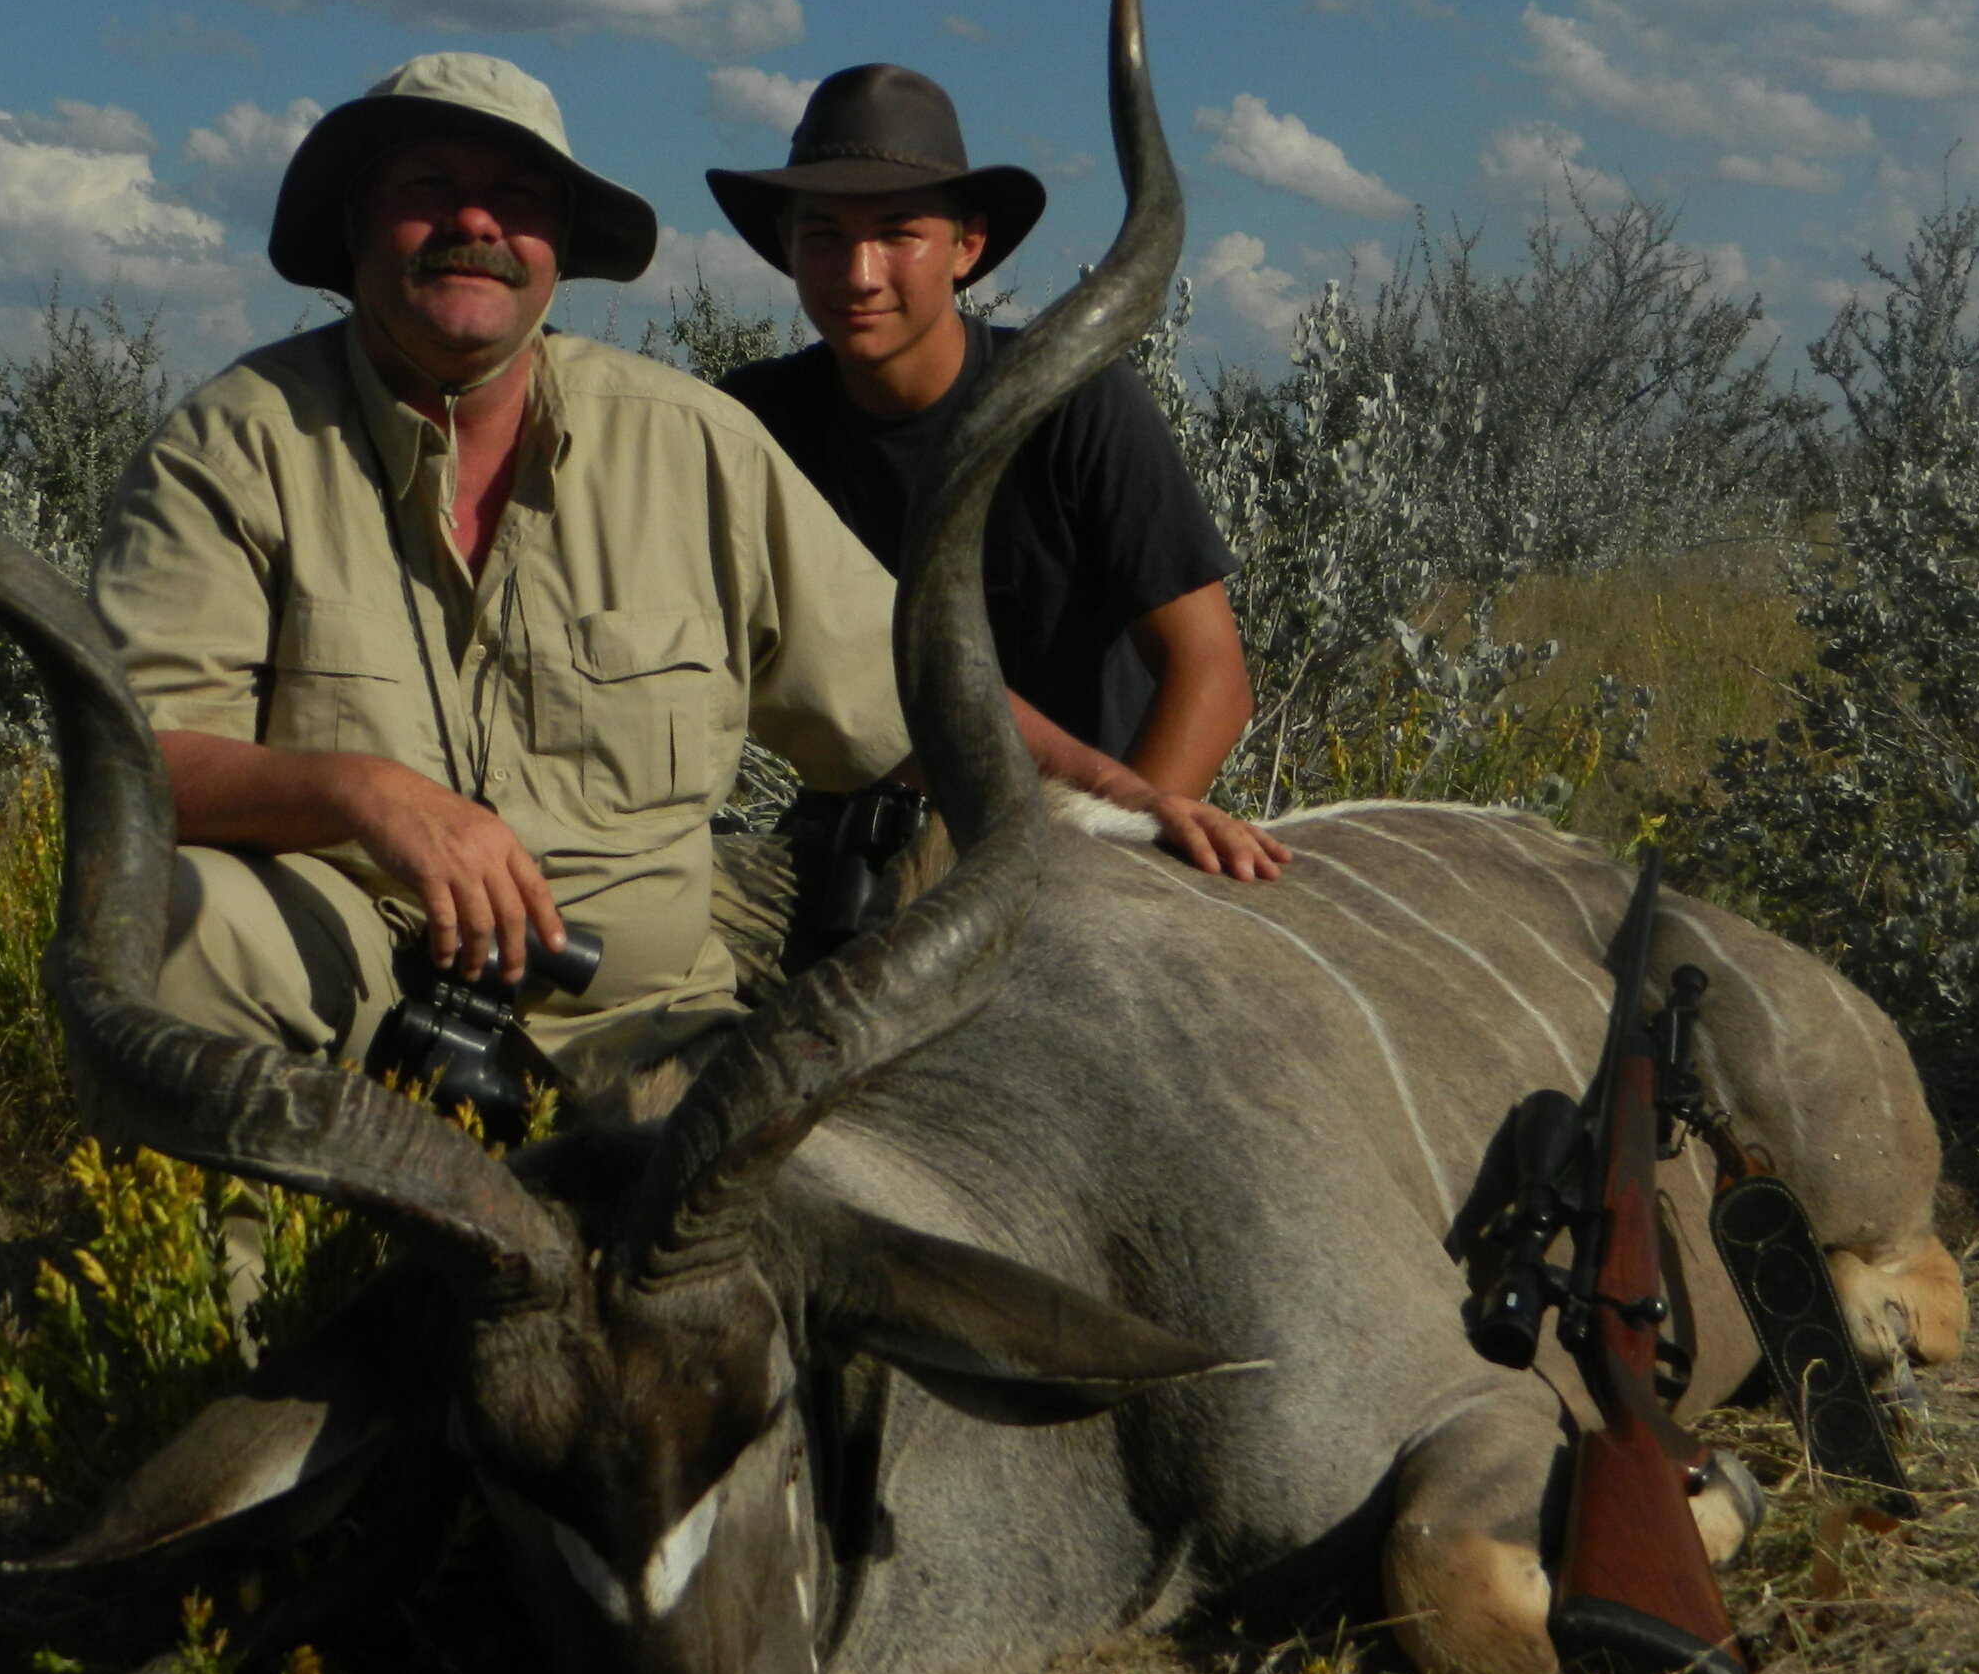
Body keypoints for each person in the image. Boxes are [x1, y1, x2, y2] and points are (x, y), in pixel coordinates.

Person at [92, 52, 920, 1085]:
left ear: (560, 249)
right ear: (354, 228)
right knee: (174, 925)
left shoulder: (696, 445)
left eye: (518, 197)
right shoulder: (232, 445)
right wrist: (370, 798)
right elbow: (134, 760)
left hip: (641, 1023)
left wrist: (1124, 802)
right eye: (428, 187)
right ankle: (245, 1246)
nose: (475, 222)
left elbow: (914, 714)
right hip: (353, 999)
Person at [709, 64, 1284, 895]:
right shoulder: (750, 423)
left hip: (1079, 847)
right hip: (852, 860)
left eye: (898, 233)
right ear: (788, 246)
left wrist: (1117, 863)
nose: (858, 272)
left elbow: (1212, 674)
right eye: (824, 234)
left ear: (966, 245)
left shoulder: (1076, 401)